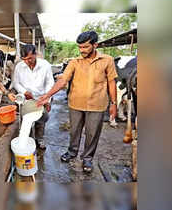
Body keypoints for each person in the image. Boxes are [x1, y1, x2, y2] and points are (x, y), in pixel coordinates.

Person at [37, 31, 118, 173]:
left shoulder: (107, 60)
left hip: (97, 105)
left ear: (95, 45)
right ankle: (72, 152)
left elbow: (111, 82)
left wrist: (114, 103)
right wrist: (47, 95)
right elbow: (62, 81)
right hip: (75, 104)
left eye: (86, 47)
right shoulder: (74, 62)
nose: (82, 50)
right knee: (74, 131)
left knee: (92, 134)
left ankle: (87, 158)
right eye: (80, 47)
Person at [13, 44, 55, 150]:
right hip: (26, 98)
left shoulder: (45, 65)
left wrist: (47, 99)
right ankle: (28, 139)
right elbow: (16, 83)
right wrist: (24, 91)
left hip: (42, 97)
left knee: (41, 119)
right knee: (26, 119)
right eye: (24, 59)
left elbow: (50, 83)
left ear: (35, 54)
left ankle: (39, 139)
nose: (27, 62)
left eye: (30, 58)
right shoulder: (19, 66)